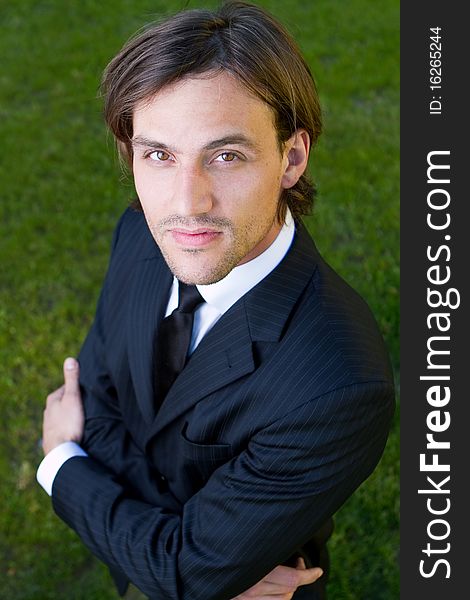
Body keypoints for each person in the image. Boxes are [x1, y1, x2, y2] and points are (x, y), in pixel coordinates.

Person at [37, 2, 395, 599]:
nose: (187, 204)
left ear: (292, 157)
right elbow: (99, 393)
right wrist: (190, 560)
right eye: (159, 154)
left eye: (225, 155)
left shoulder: (339, 384)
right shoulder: (138, 236)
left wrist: (62, 465)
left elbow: (184, 570)